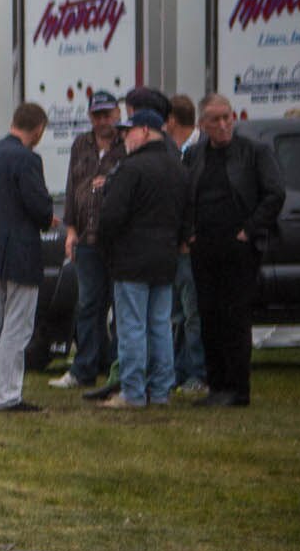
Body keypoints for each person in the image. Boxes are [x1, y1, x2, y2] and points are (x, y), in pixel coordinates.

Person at [184, 95, 285, 410]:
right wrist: (188, 232)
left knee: (235, 317)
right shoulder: (194, 155)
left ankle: (238, 389)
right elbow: (185, 196)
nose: (224, 124)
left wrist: (250, 229)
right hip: (205, 246)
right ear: (203, 124)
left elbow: (275, 193)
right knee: (208, 316)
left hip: (239, 247)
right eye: (215, 119)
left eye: (227, 116)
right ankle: (217, 385)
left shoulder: (253, 152)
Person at [88, 105, 186, 409]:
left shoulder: (131, 169)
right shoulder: (178, 167)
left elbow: (112, 216)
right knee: (160, 325)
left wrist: (104, 245)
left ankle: (132, 391)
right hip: (166, 257)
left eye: (128, 131)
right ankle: (160, 391)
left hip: (131, 258)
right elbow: (187, 214)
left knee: (131, 326)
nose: (124, 137)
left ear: (144, 130)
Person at [0, 102, 54, 413]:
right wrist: (48, 218)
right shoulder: (28, 159)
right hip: (20, 251)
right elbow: (40, 208)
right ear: (38, 129)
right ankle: (8, 395)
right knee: (17, 326)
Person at [52, 91, 123, 391]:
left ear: (117, 114)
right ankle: (84, 368)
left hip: (118, 239)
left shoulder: (127, 143)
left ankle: (120, 368)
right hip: (86, 237)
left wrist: (111, 183)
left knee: (122, 306)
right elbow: (72, 189)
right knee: (88, 304)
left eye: (107, 114)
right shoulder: (81, 144)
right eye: (97, 115)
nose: (102, 121)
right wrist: (70, 230)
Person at [162, 94, 205, 395]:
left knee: (193, 314)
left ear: (172, 120)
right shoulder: (173, 151)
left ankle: (198, 372)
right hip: (173, 246)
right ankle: (178, 370)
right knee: (177, 314)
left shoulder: (200, 151)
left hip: (191, 247)